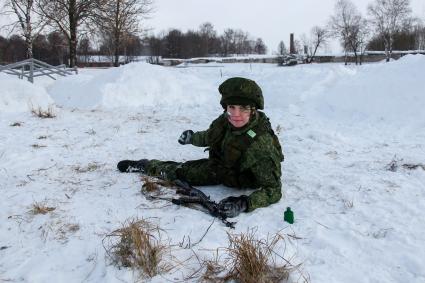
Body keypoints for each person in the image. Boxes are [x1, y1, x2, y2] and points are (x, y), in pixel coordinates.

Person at [117, 77, 284, 218]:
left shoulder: (262, 145)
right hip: (220, 168)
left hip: (238, 178)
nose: (236, 114)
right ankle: (145, 165)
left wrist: (244, 203)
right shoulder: (226, 120)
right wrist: (192, 138)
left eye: (243, 108)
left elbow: (274, 190)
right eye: (231, 107)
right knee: (180, 172)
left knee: (184, 172)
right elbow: (211, 136)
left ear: (253, 110)